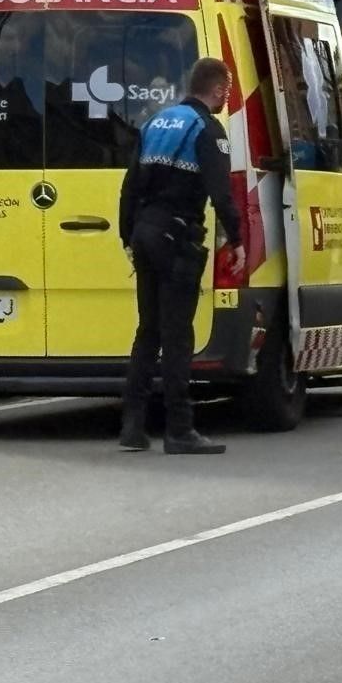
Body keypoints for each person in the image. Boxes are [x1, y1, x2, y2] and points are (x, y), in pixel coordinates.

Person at [118, 57, 245, 455]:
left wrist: (128, 234)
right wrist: (237, 240)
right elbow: (221, 193)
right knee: (177, 336)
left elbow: (129, 186)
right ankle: (180, 429)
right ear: (219, 89)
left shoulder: (156, 122)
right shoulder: (207, 129)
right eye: (228, 90)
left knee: (147, 331)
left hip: (145, 233)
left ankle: (133, 427)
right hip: (177, 237)